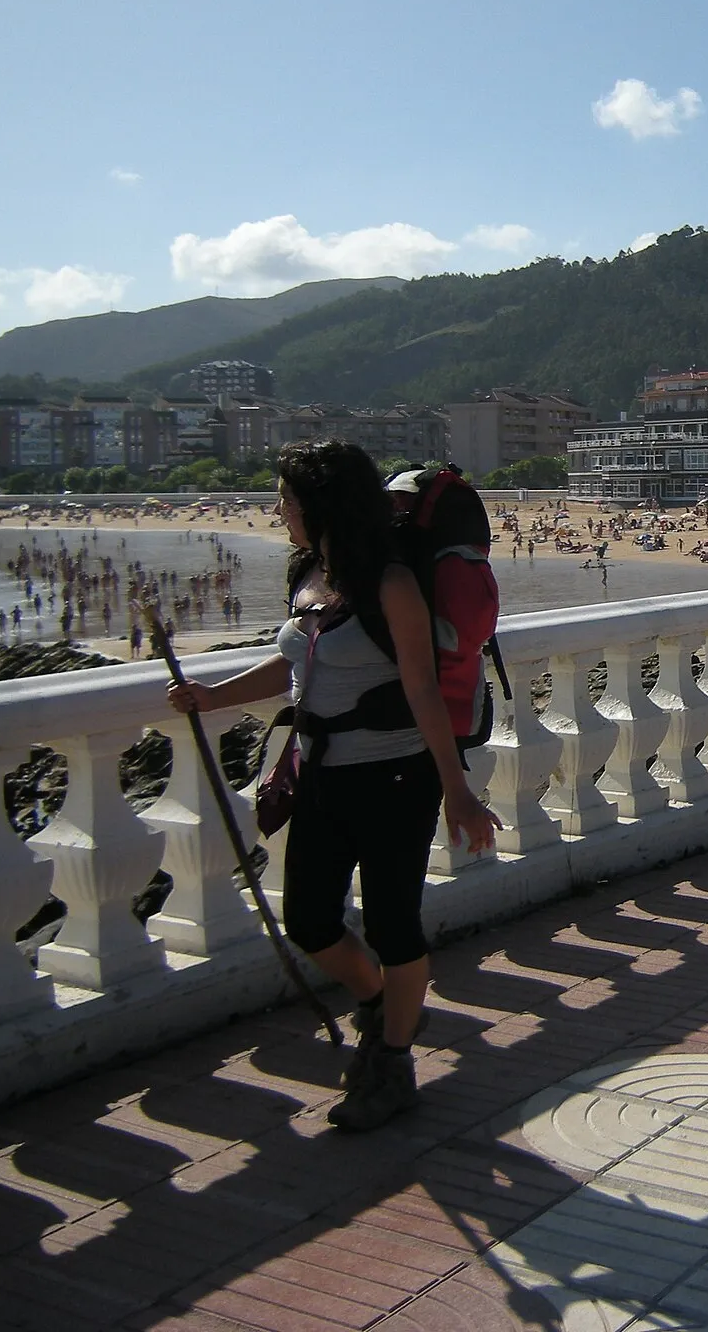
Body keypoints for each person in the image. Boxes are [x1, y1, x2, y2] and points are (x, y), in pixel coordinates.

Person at [164, 440, 500, 1131]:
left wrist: (458, 791)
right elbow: (293, 666)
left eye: (284, 497)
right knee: (310, 919)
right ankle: (385, 1004)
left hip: (396, 776)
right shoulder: (309, 573)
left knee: (391, 923)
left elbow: (423, 692)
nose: (277, 509)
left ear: (319, 502)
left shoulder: (391, 584)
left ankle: (392, 1064)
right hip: (319, 770)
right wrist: (212, 695)